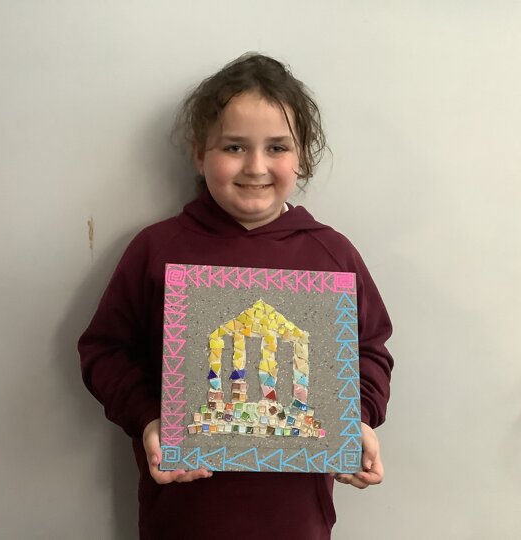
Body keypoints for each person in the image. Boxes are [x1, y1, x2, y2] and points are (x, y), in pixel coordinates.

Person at [78, 52, 394, 539]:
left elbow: (369, 350)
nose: (255, 166)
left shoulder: (332, 255)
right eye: (233, 147)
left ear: (302, 157)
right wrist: (149, 420)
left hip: (295, 519)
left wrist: (359, 421)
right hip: (183, 513)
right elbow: (105, 350)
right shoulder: (158, 249)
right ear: (198, 153)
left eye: (277, 147)